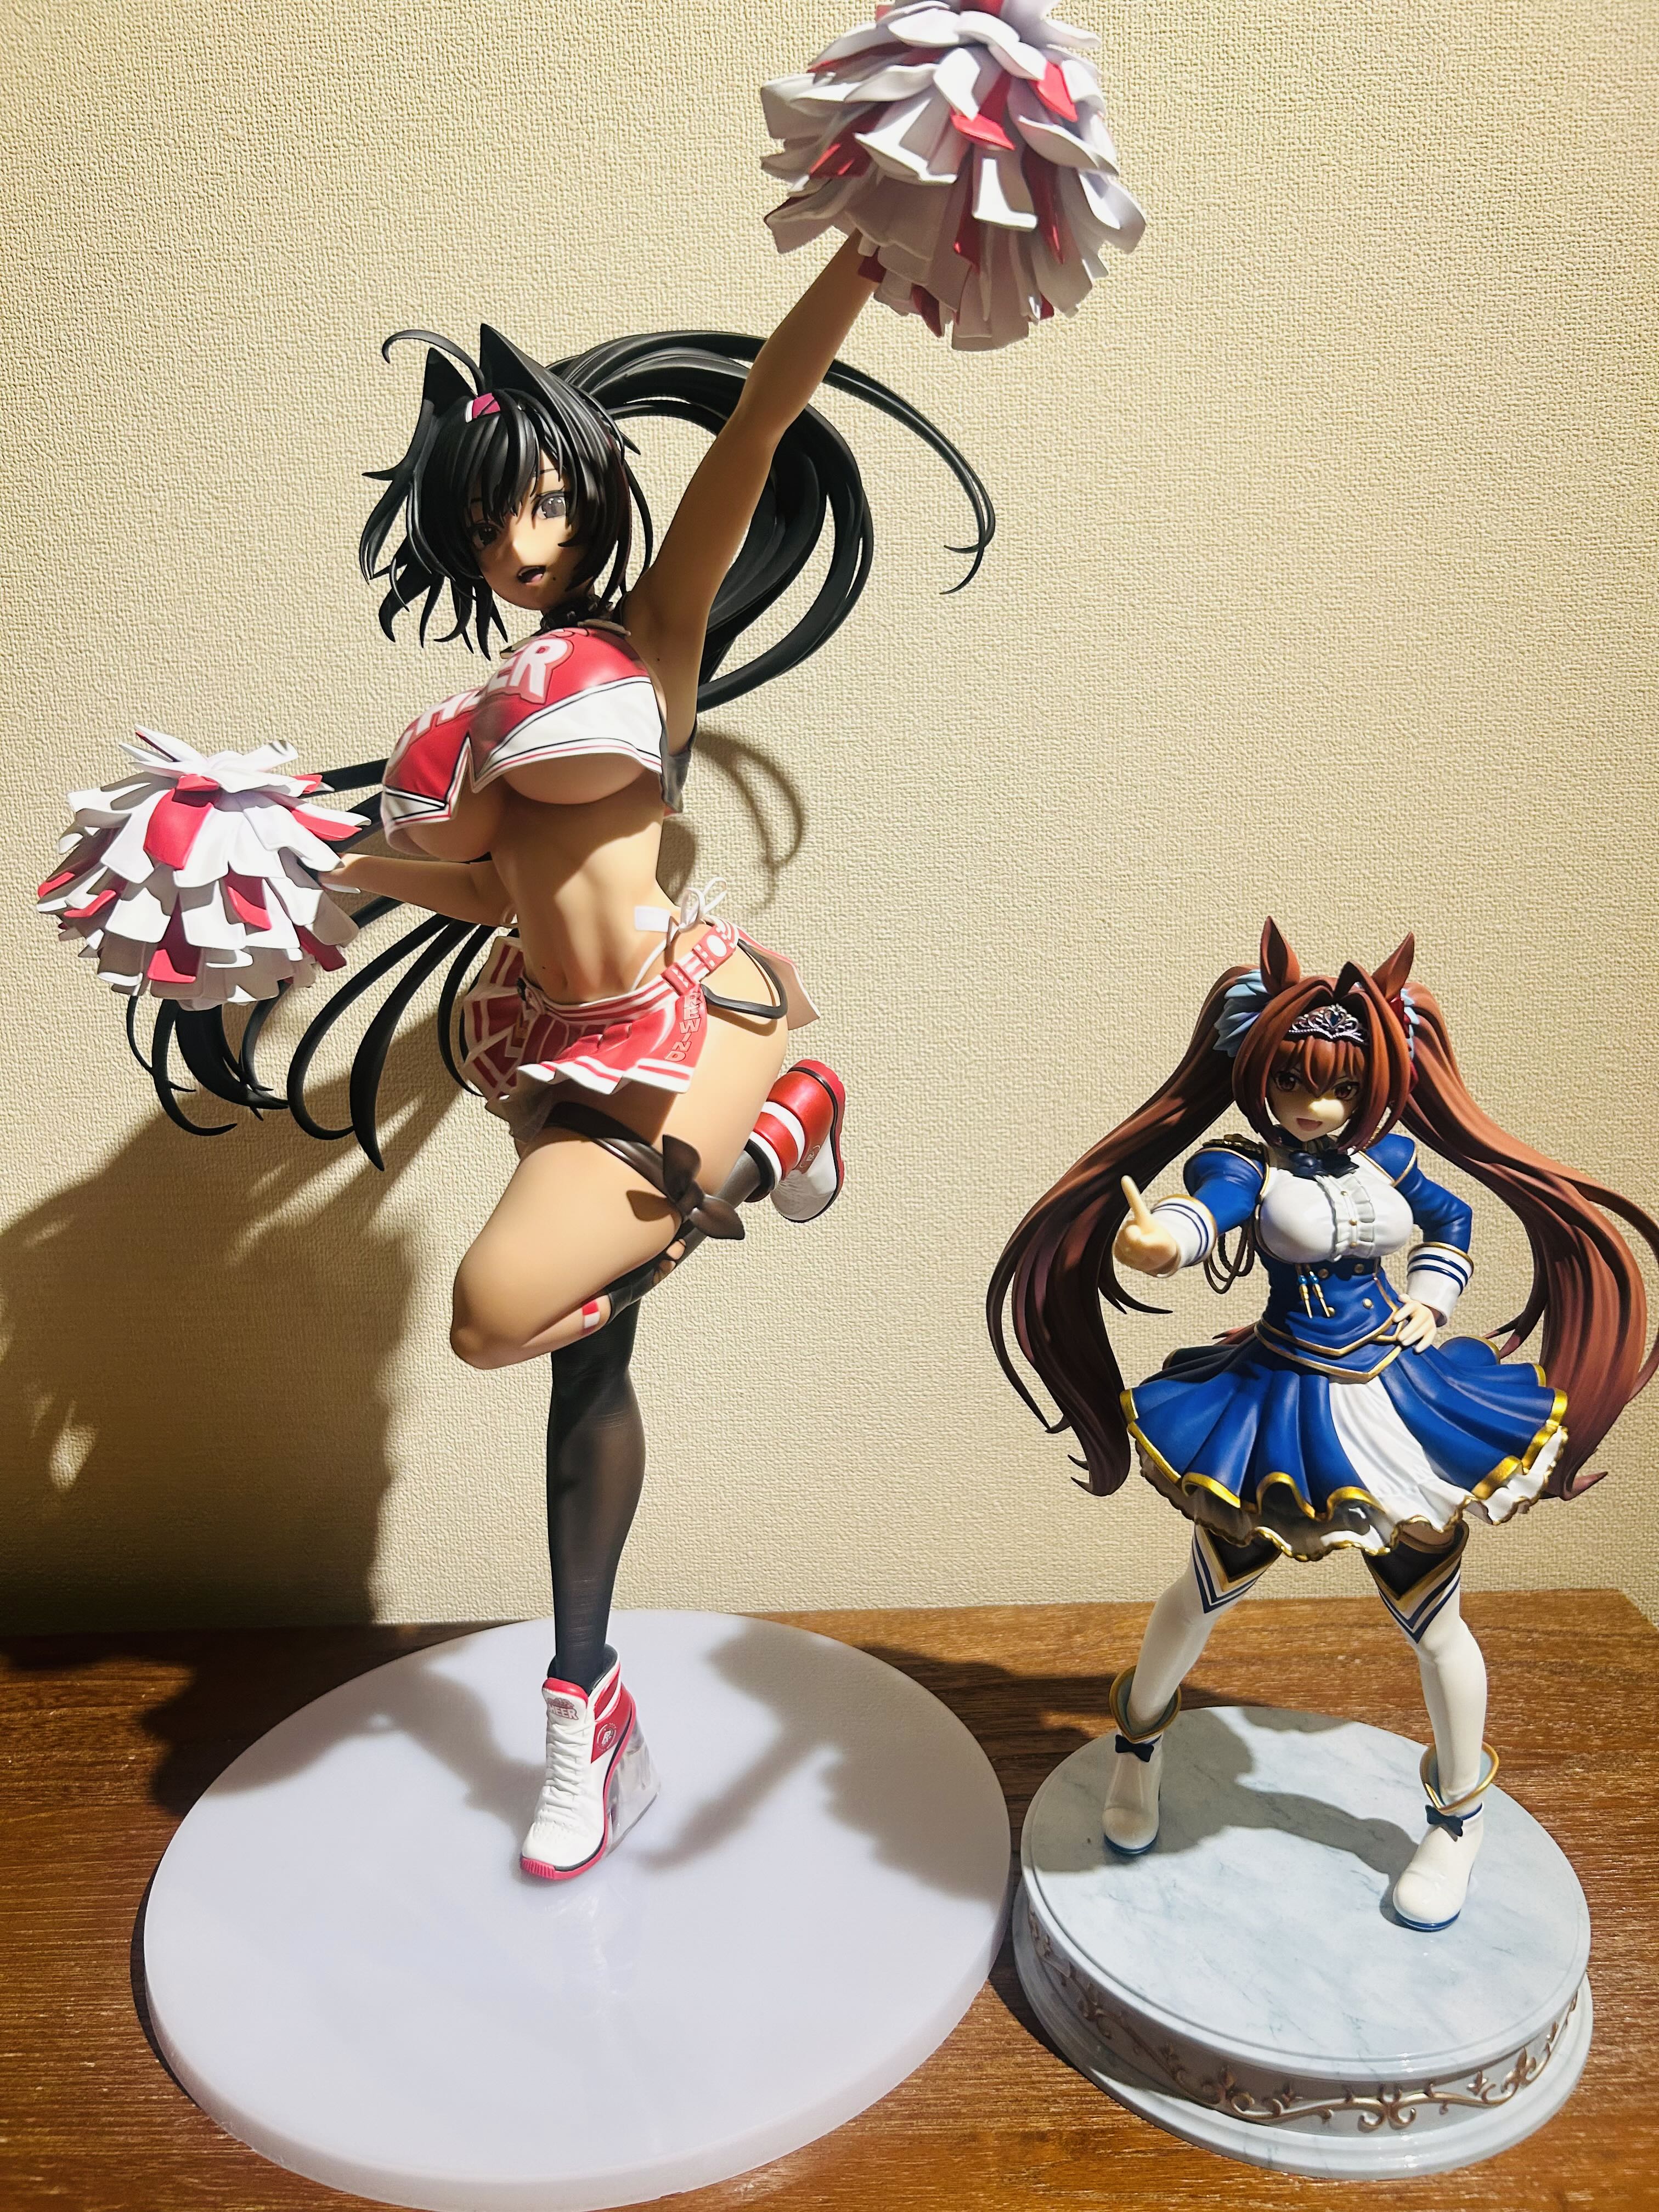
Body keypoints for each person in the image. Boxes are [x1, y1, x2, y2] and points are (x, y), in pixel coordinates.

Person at [989, 921, 1659, 1927]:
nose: (1316, 1105)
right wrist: (1161, 1244)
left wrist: (1432, 1297)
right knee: (1199, 1597)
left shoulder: (1390, 1153)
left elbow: (1453, 1221)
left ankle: (1458, 1822)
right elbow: (1200, 1218)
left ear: (1376, 1084)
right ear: (1260, 1076)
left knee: (1437, 1626)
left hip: (1401, 1405)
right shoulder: (1243, 1166)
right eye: (1294, 1082)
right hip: (1277, 1409)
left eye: (1339, 1086)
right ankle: (1138, 1754)